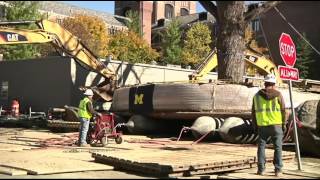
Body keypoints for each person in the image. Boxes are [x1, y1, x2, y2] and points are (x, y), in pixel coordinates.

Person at [252, 74, 286, 177]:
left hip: (262, 126)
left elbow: (253, 112)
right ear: (274, 84)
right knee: (278, 147)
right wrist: (283, 124)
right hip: (276, 125)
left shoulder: (256, 96)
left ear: (265, 83)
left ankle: (261, 170)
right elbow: (284, 111)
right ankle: (278, 170)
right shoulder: (278, 94)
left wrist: (255, 126)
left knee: (261, 147)